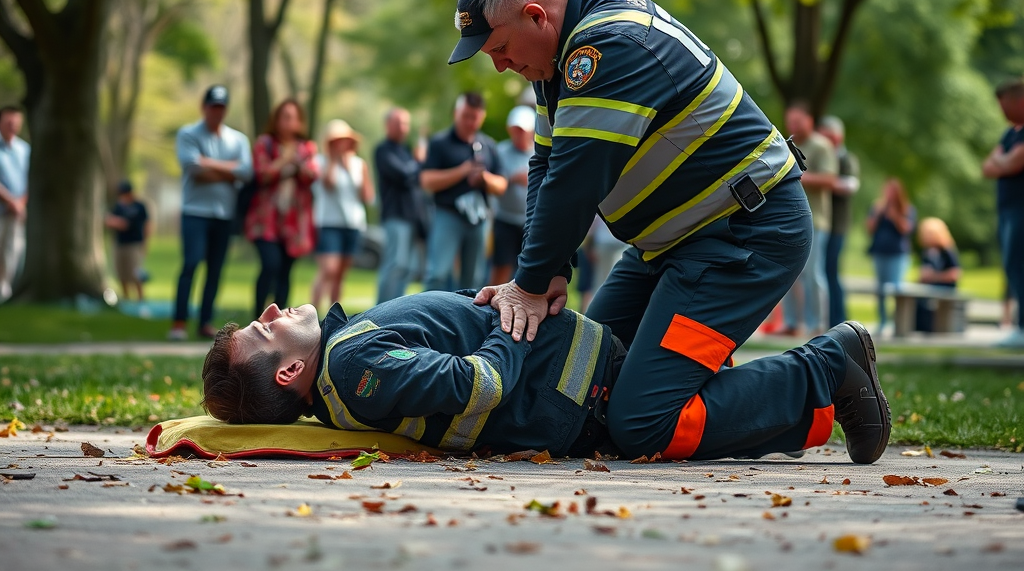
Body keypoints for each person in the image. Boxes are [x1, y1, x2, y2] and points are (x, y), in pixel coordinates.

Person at [442, 0, 890, 463]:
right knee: (584, 386)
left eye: (499, 47)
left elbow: (576, 180)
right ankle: (738, 401)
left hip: (743, 234)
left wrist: (528, 283)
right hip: (675, 243)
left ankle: (829, 369)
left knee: (640, 422)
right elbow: (547, 165)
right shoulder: (560, 60)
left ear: (536, 15)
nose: (499, 64)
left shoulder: (605, 47)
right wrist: (550, 273)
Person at [201, 291, 879, 464]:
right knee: (682, 422)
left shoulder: (349, 360)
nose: (270, 311)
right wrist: (512, 312)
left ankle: (827, 367)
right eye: (263, 329)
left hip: (579, 383)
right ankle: (825, 387)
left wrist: (508, 304)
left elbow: (473, 368)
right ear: (290, 370)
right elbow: (481, 384)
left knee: (670, 427)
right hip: (574, 387)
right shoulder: (351, 366)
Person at [173, 85, 252, 340]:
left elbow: (247, 172)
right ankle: (179, 321)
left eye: (221, 107)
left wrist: (210, 164)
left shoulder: (237, 139)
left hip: (224, 214)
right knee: (191, 262)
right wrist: (229, 171)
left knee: (215, 269)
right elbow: (193, 167)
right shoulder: (188, 133)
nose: (216, 112)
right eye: (212, 106)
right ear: (204, 106)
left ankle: (205, 321)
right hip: (195, 211)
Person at [420, 92, 507, 292]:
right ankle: (427, 319)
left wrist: (484, 178)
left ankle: (464, 321)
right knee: (437, 275)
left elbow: (502, 185)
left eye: (474, 117)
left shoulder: (488, 146)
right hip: (447, 215)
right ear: (456, 113)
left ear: (482, 116)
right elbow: (426, 180)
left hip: (478, 219)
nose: (470, 122)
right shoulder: (440, 142)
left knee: (474, 280)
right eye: (465, 116)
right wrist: (462, 171)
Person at [246, 98, 319, 322]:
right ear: (276, 120)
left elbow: (312, 174)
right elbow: (263, 174)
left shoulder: (306, 147)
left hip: (294, 223)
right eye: (283, 117)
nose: (288, 122)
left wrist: (296, 164)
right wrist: (285, 160)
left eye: (292, 117)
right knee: (270, 265)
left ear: (299, 122)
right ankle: (258, 318)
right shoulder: (265, 143)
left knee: (285, 271)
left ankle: (279, 324)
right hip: (265, 220)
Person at [780, 102, 838, 337]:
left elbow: (831, 180)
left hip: (816, 221)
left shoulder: (821, 146)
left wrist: (797, 177)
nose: (793, 125)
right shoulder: (786, 144)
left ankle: (817, 325)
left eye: (797, 121)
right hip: (790, 219)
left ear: (809, 120)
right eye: (790, 121)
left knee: (813, 273)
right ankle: (792, 323)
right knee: (788, 272)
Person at [311, 120, 373, 312]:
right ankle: (311, 312)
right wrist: (334, 160)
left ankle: (333, 315)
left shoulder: (358, 164)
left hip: (352, 223)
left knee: (340, 274)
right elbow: (328, 184)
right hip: (328, 222)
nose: (341, 145)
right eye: (337, 140)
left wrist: (349, 167)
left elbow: (368, 196)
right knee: (328, 270)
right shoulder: (320, 162)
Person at [982, 78, 1024, 348]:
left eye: (1004, 104)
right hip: (1008, 210)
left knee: (1019, 265)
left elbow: (1012, 163)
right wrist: (1003, 161)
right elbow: (989, 166)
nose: (1002, 111)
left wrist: (1002, 161)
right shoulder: (1010, 134)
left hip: (1021, 210)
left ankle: (1022, 329)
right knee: (1012, 265)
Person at [374, 108, 427, 303]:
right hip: (396, 216)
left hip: (413, 218)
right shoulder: (383, 150)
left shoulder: (405, 152)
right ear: (388, 125)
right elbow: (404, 175)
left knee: (407, 268)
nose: (403, 128)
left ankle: (393, 311)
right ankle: (379, 313)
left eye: (406, 123)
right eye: (399, 123)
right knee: (395, 265)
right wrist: (419, 161)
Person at [818, 115, 860, 328]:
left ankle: (838, 319)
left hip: (837, 225)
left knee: (831, 271)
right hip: (823, 224)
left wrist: (824, 180)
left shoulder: (845, 159)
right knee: (823, 272)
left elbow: (851, 185)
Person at [489, 105, 535, 284]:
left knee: (527, 272)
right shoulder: (500, 152)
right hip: (505, 219)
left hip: (530, 224)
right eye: (515, 130)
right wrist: (513, 179)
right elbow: (494, 183)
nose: (519, 134)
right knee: (501, 268)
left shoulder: (539, 153)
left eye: (522, 130)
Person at [865, 178, 916, 336]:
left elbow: (907, 229)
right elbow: (869, 228)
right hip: (879, 252)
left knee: (896, 288)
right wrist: (879, 214)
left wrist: (894, 216)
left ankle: (897, 323)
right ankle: (882, 321)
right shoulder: (878, 207)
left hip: (898, 254)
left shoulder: (907, 208)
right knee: (880, 289)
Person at [0, 105, 29, 301]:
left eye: (16, 123)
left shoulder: (24, 149)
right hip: (2, 209)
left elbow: (31, 179)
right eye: (8, 122)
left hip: (17, 212)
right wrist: (10, 200)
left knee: (13, 253)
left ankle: (5, 291)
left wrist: (20, 203)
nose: (12, 126)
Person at [104, 179, 151, 301]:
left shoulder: (139, 207)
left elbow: (142, 225)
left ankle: (140, 298)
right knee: (121, 272)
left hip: (134, 244)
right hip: (120, 244)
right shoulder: (118, 206)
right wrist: (116, 222)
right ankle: (126, 297)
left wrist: (146, 243)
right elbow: (109, 221)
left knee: (135, 273)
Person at [914, 218, 961, 333]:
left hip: (944, 287)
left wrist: (935, 276)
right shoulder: (927, 252)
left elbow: (955, 274)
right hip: (929, 288)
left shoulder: (947, 251)